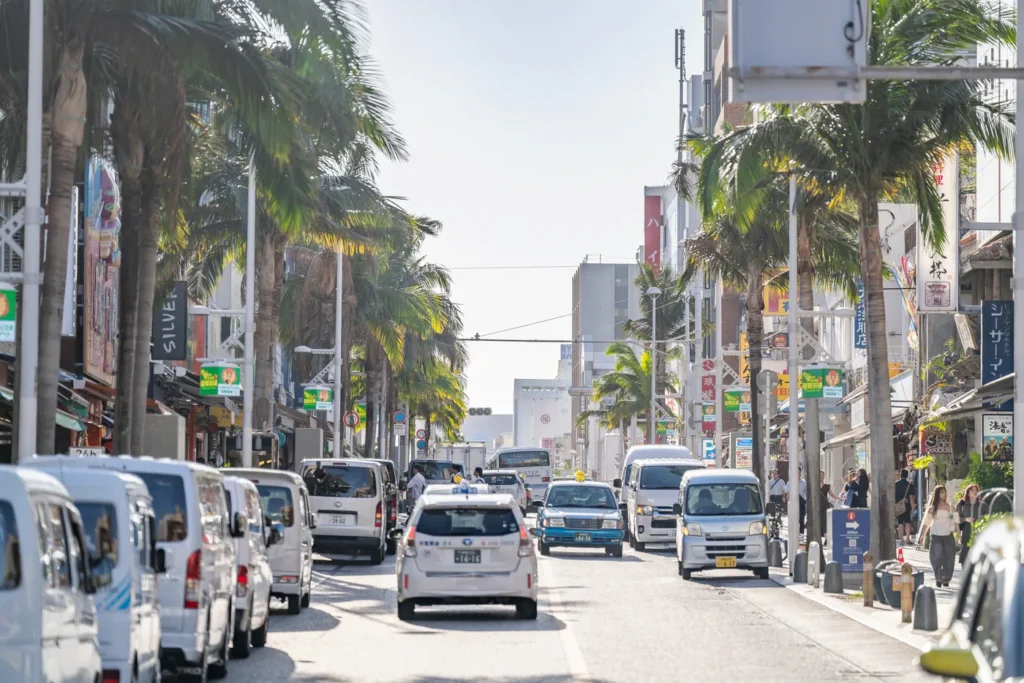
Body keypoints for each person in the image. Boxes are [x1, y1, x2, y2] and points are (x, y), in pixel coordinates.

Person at [917, 485, 959, 587]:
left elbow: (956, 522)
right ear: (937, 494)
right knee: (936, 556)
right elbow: (927, 523)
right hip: (936, 535)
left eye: (944, 492)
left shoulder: (951, 507)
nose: (943, 494)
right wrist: (922, 536)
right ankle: (938, 576)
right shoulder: (932, 508)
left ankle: (946, 578)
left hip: (948, 535)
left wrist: (959, 534)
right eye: (941, 492)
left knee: (949, 558)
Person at [956, 484, 980, 566]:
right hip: (966, 532)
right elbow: (956, 519)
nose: (975, 492)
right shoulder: (961, 505)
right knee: (965, 555)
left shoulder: (982, 506)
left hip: (978, 534)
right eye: (972, 490)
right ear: (968, 493)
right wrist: (966, 519)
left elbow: (987, 518)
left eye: (976, 490)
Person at [894, 469, 916, 545]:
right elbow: (911, 497)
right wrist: (912, 507)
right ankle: (907, 539)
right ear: (907, 476)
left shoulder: (895, 484)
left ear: (900, 475)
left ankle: (901, 540)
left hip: (898, 506)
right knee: (908, 522)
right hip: (906, 506)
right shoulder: (910, 485)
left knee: (900, 523)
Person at [797, 468, 808, 535]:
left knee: (801, 520)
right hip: (793, 504)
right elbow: (788, 495)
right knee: (794, 521)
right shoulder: (790, 482)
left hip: (801, 503)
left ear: (800, 473)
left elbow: (806, 493)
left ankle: (801, 534)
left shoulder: (804, 483)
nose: (797, 474)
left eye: (798, 472)